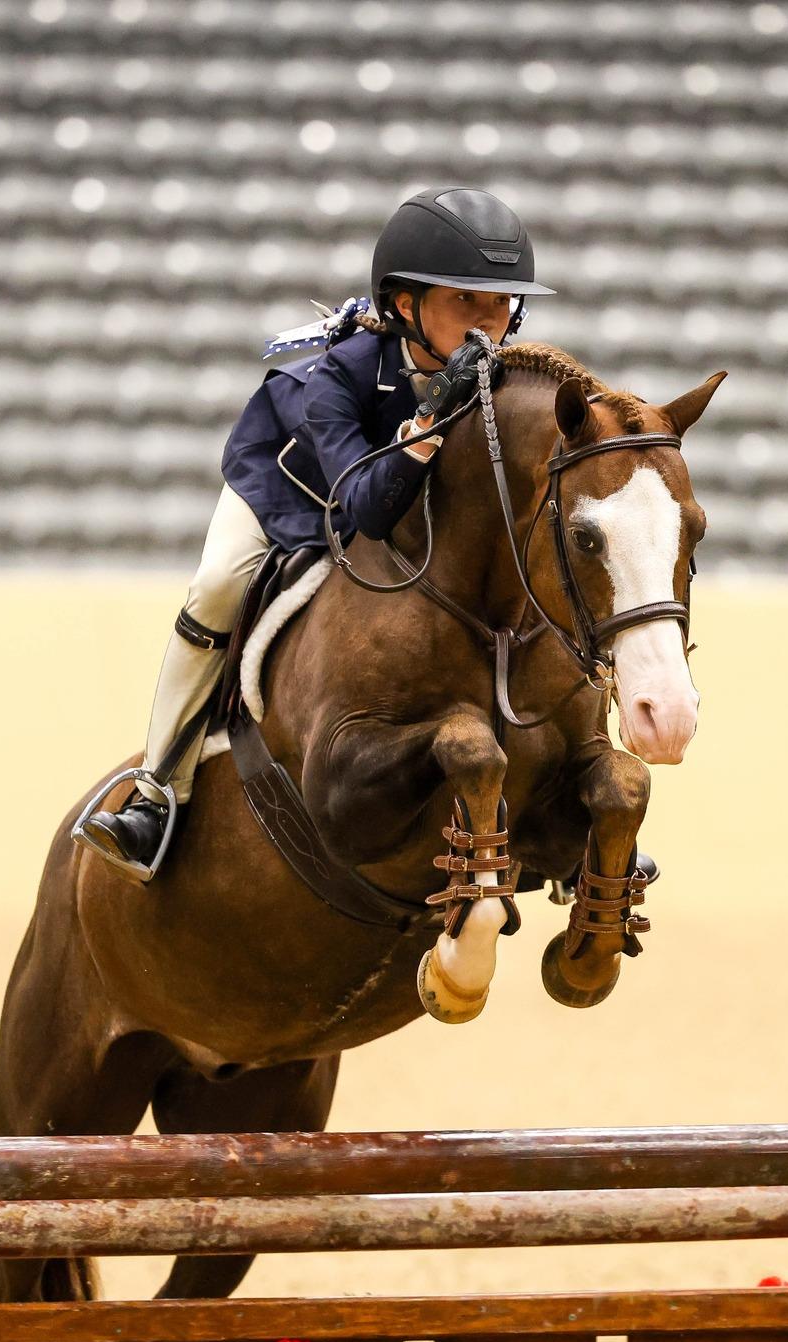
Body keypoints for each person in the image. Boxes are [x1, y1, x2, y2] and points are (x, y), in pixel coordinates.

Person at [75, 186, 555, 874]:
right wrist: (422, 435)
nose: (488, 324)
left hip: (388, 497)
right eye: (464, 301)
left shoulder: (498, 376)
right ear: (403, 305)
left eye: (501, 303)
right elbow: (363, 508)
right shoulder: (340, 376)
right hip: (290, 485)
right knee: (216, 587)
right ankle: (156, 790)